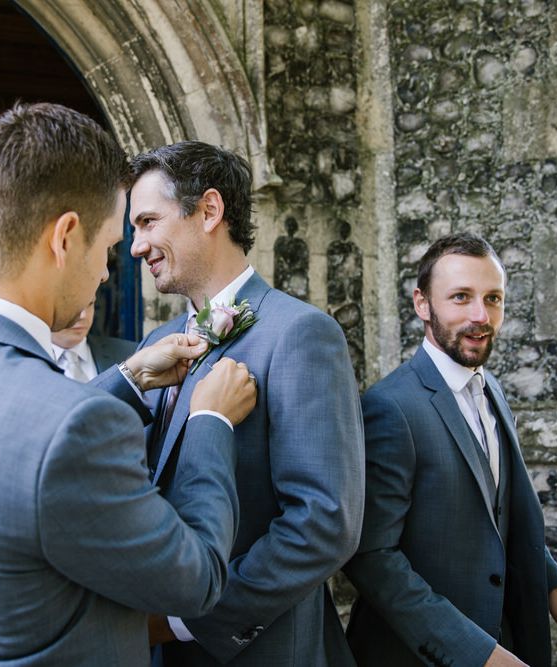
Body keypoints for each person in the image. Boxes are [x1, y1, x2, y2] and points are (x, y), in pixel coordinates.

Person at [0, 102, 257, 666]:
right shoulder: (69, 427)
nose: (111, 270)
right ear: (64, 237)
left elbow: (27, 451)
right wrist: (209, 422)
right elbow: (198, 578)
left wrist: (128, 379)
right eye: (109, 245)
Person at [106, 140, 365, 666]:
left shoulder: (300, 334)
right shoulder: (158, 341)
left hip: (257, 650)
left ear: (209, 211)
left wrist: (184, 621)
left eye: (149, 222)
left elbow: (323, 523)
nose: (136, 246)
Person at [344, 233, 557, 667]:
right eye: (461, 297)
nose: (481, 316)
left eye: (493, 299)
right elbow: (371, 558)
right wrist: (476, 653)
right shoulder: (390, 407)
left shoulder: (490, 386)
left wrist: (554, 592)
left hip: (506, 632)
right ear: (423, 304)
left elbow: (503, 511)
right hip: (417, 653)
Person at [52, 301, 136, 381]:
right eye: (71, 306)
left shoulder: (133, 353)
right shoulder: (39, 366)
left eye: (90, 303)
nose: (83, 315)